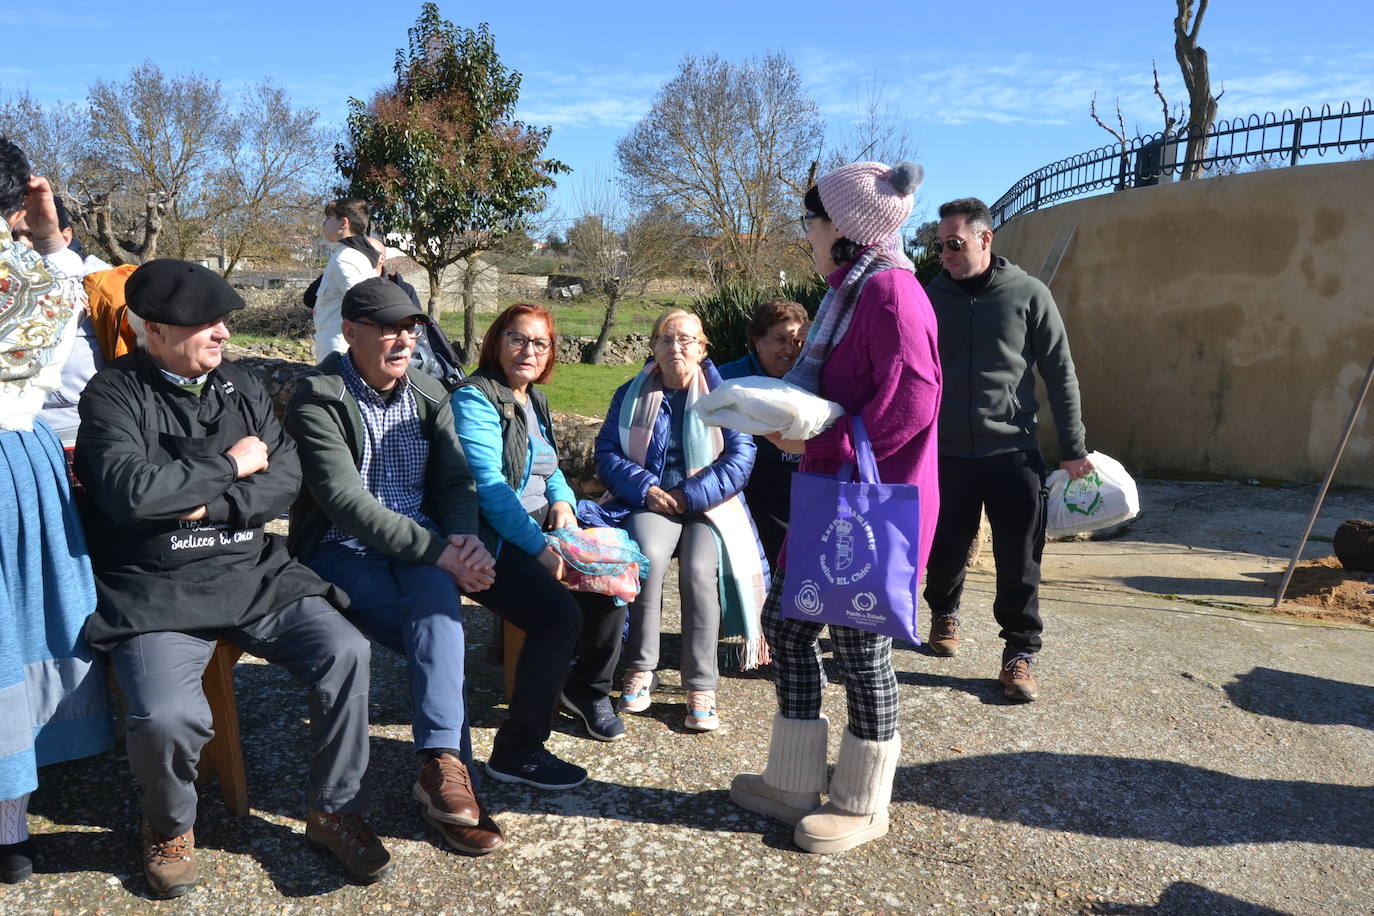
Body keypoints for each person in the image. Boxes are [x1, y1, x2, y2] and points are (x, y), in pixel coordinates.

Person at [75, 259, 389, 896]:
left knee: (347, 652)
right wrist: (231, 462)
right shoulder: (112, 394)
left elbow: (284, 478)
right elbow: (131, 496)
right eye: (205, 323)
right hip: (155, 586)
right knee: (166, 716)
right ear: (155, 329)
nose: (222, 333)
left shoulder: (242, 385)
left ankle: (334, 808)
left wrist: (202, 500)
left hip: (251, 571)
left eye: (223, 321)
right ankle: (168, 826)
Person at [730, 160, 940, 855]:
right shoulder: (851, 292)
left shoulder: (891, 297)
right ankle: (793, 781)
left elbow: (913, 399)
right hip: (834, 494)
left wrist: (821, 429)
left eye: (811, 221)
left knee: (858, 645)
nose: (807, 234)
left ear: (844, 230)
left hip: (867, 500)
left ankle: (861, 801)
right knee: (788, 627)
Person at [287, 279, 533, 859]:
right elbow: (348, 504)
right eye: (389, 328)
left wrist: (464, 538)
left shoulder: (426, 391)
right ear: (350, 333)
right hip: (342, 549)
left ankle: (443, 771)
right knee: (440, 633)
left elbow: (453, 481)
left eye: (412, 328)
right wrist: (444, 553)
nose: (404, 339)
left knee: (437, 610)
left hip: (422, 545)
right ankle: (450, 784)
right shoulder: (317, 397)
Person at [922, 197, 1092, 702]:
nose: (947, 254)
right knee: (946, 545)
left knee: (1020, 557)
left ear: (984, 238)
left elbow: (1060, 373)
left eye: (955, 243)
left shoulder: (1028, 294)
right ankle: (944, 614)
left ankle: (1019, 652)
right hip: (948, 451)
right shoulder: (930, 297)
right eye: (940, 246)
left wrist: (1073, 446)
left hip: (1012, 451)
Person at [0, 138, 113, 885]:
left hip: (14, 454)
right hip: (14, 452)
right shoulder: (26, 274)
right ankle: (8, 817)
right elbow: (62, 318)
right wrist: (45, 236)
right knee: (11, 622)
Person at [451, 304, 628, 744]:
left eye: (540, 343)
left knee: (613, 582)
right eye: (517, 338)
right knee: (560, 613)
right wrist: (539, 549)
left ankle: (586, 690)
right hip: (489, 537)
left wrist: (564, 504)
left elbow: (552, 471)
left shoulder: (535, 400)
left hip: (539, 527)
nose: (528, 350)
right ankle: (523, 740)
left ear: (550, 354)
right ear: (496, 342)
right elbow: (489, 488)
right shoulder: (475, 397)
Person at [583, 308, 764, 732]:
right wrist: (646, 488)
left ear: (703, 348)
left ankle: (701, 685)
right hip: (651, 500)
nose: (676, 347)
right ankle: (641, 668)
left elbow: (741, 458)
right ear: (652, 347)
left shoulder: (726, 395)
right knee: (646, 556)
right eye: (667, 338)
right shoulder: (630, 393)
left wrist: (690, 494)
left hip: (709, 504)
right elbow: (607, 453)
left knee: (701, 570)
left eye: (687, 340)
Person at [718, 299, 808, 565]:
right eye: (780, 339)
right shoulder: (729, 379)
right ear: (758, 341)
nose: (790, 350)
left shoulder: (814, 376)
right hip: (750, 486)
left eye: (797, 340)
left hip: (802, 483)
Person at [312, 197, 384, 362]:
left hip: (340, 350)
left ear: (343, 223)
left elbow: (363, 304)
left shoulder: (345, 258)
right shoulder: (351, 255)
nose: (324, 222)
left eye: (329, 217)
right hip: (341, 346)